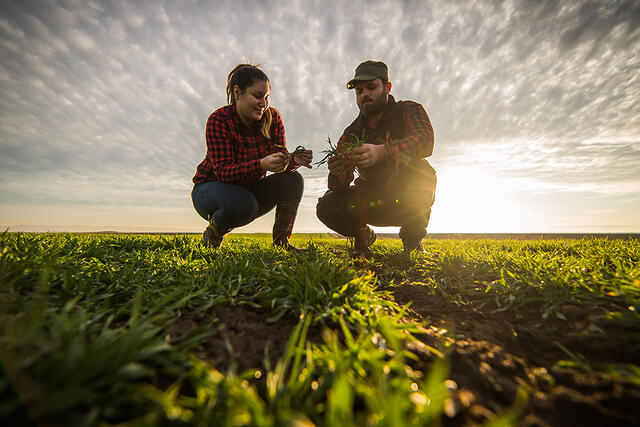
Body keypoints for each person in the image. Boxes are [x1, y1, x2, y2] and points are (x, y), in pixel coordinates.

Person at [316, 60, 436, 257]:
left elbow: (425, 142)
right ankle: (363, 235)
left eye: (371, 87)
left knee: (423, 173)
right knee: (327, 205)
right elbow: (339, 187)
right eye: (359, 91)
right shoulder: (351, 132)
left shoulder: (408, 110)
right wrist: (338, 172)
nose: (364, 95)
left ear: (387, 87)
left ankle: (412, 241)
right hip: (370, 200)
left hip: (406, 199)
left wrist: (383, 151)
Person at [192, 64, 312, 250]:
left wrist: (292, 161)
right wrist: (261, 165)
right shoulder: (219, 120)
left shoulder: (273, 119)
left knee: (293, 179)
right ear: (238, 92)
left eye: (266, 98)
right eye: (257, 96)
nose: (263, 104)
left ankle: (282, 243)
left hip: (248, 191)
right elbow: (223, 172)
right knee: (242, 203)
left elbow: (279, 162)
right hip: (210, 190)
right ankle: (213, 234)